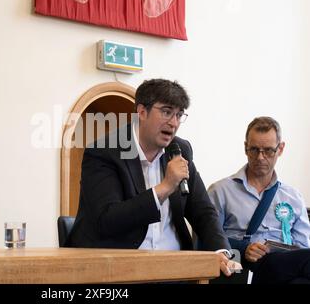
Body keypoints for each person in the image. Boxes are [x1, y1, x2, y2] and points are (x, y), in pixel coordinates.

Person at [66, 78, 237, 276]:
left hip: (176, 269)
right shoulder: (104, 152)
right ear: (141, 112)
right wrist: (165, 187)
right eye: (166, 112)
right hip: (118, 269)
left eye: (179, 115)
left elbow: (203, 211)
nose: (173, 123)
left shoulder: (180, 150)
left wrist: (222, 251)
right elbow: (108, 219)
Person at [208, 116, 310, 283]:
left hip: (283, 269)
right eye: (254, 150)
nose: (261, 158)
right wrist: (244, 248)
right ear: (245, 148)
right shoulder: (221, 191)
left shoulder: (293, 197)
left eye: (268, 150)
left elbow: (303, 249)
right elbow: (206, 241)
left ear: (281, 149)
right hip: (243, 268)